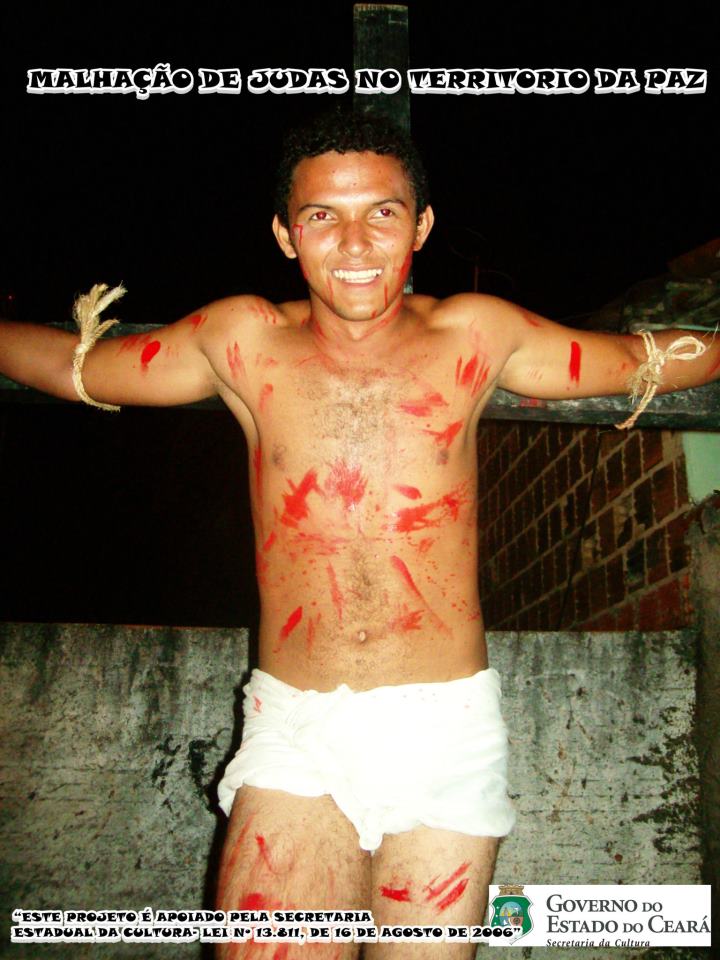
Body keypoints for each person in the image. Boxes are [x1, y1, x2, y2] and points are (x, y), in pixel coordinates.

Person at [1, 110, 718, 958]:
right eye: (321, 216)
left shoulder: (476, 333)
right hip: (296, 732)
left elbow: (642, 362)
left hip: (445, 731)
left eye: (382, 212)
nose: (354, 243)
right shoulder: (242, 340)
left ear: (422, 225)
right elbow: (77, 368)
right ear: (285, 234)